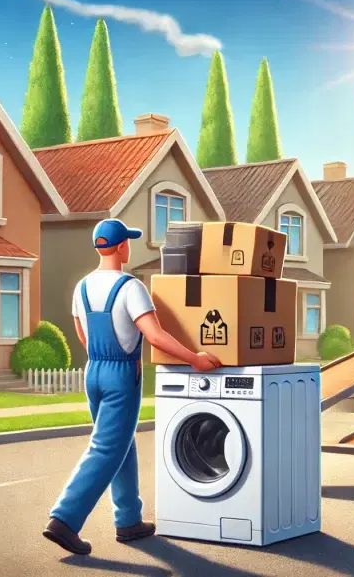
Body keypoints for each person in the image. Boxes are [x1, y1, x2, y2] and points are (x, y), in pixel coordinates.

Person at [43, 219, 221, 555]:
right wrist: (193, 359)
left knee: (120, 443)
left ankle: (128, 519)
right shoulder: (130, 287)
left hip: (93, 370)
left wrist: (102, 357)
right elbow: (154, 335)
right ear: (123, 246)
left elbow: (83, 335)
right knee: (107, 448)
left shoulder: (81, 287)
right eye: (128, 242)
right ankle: (64, 519)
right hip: (121, 374)